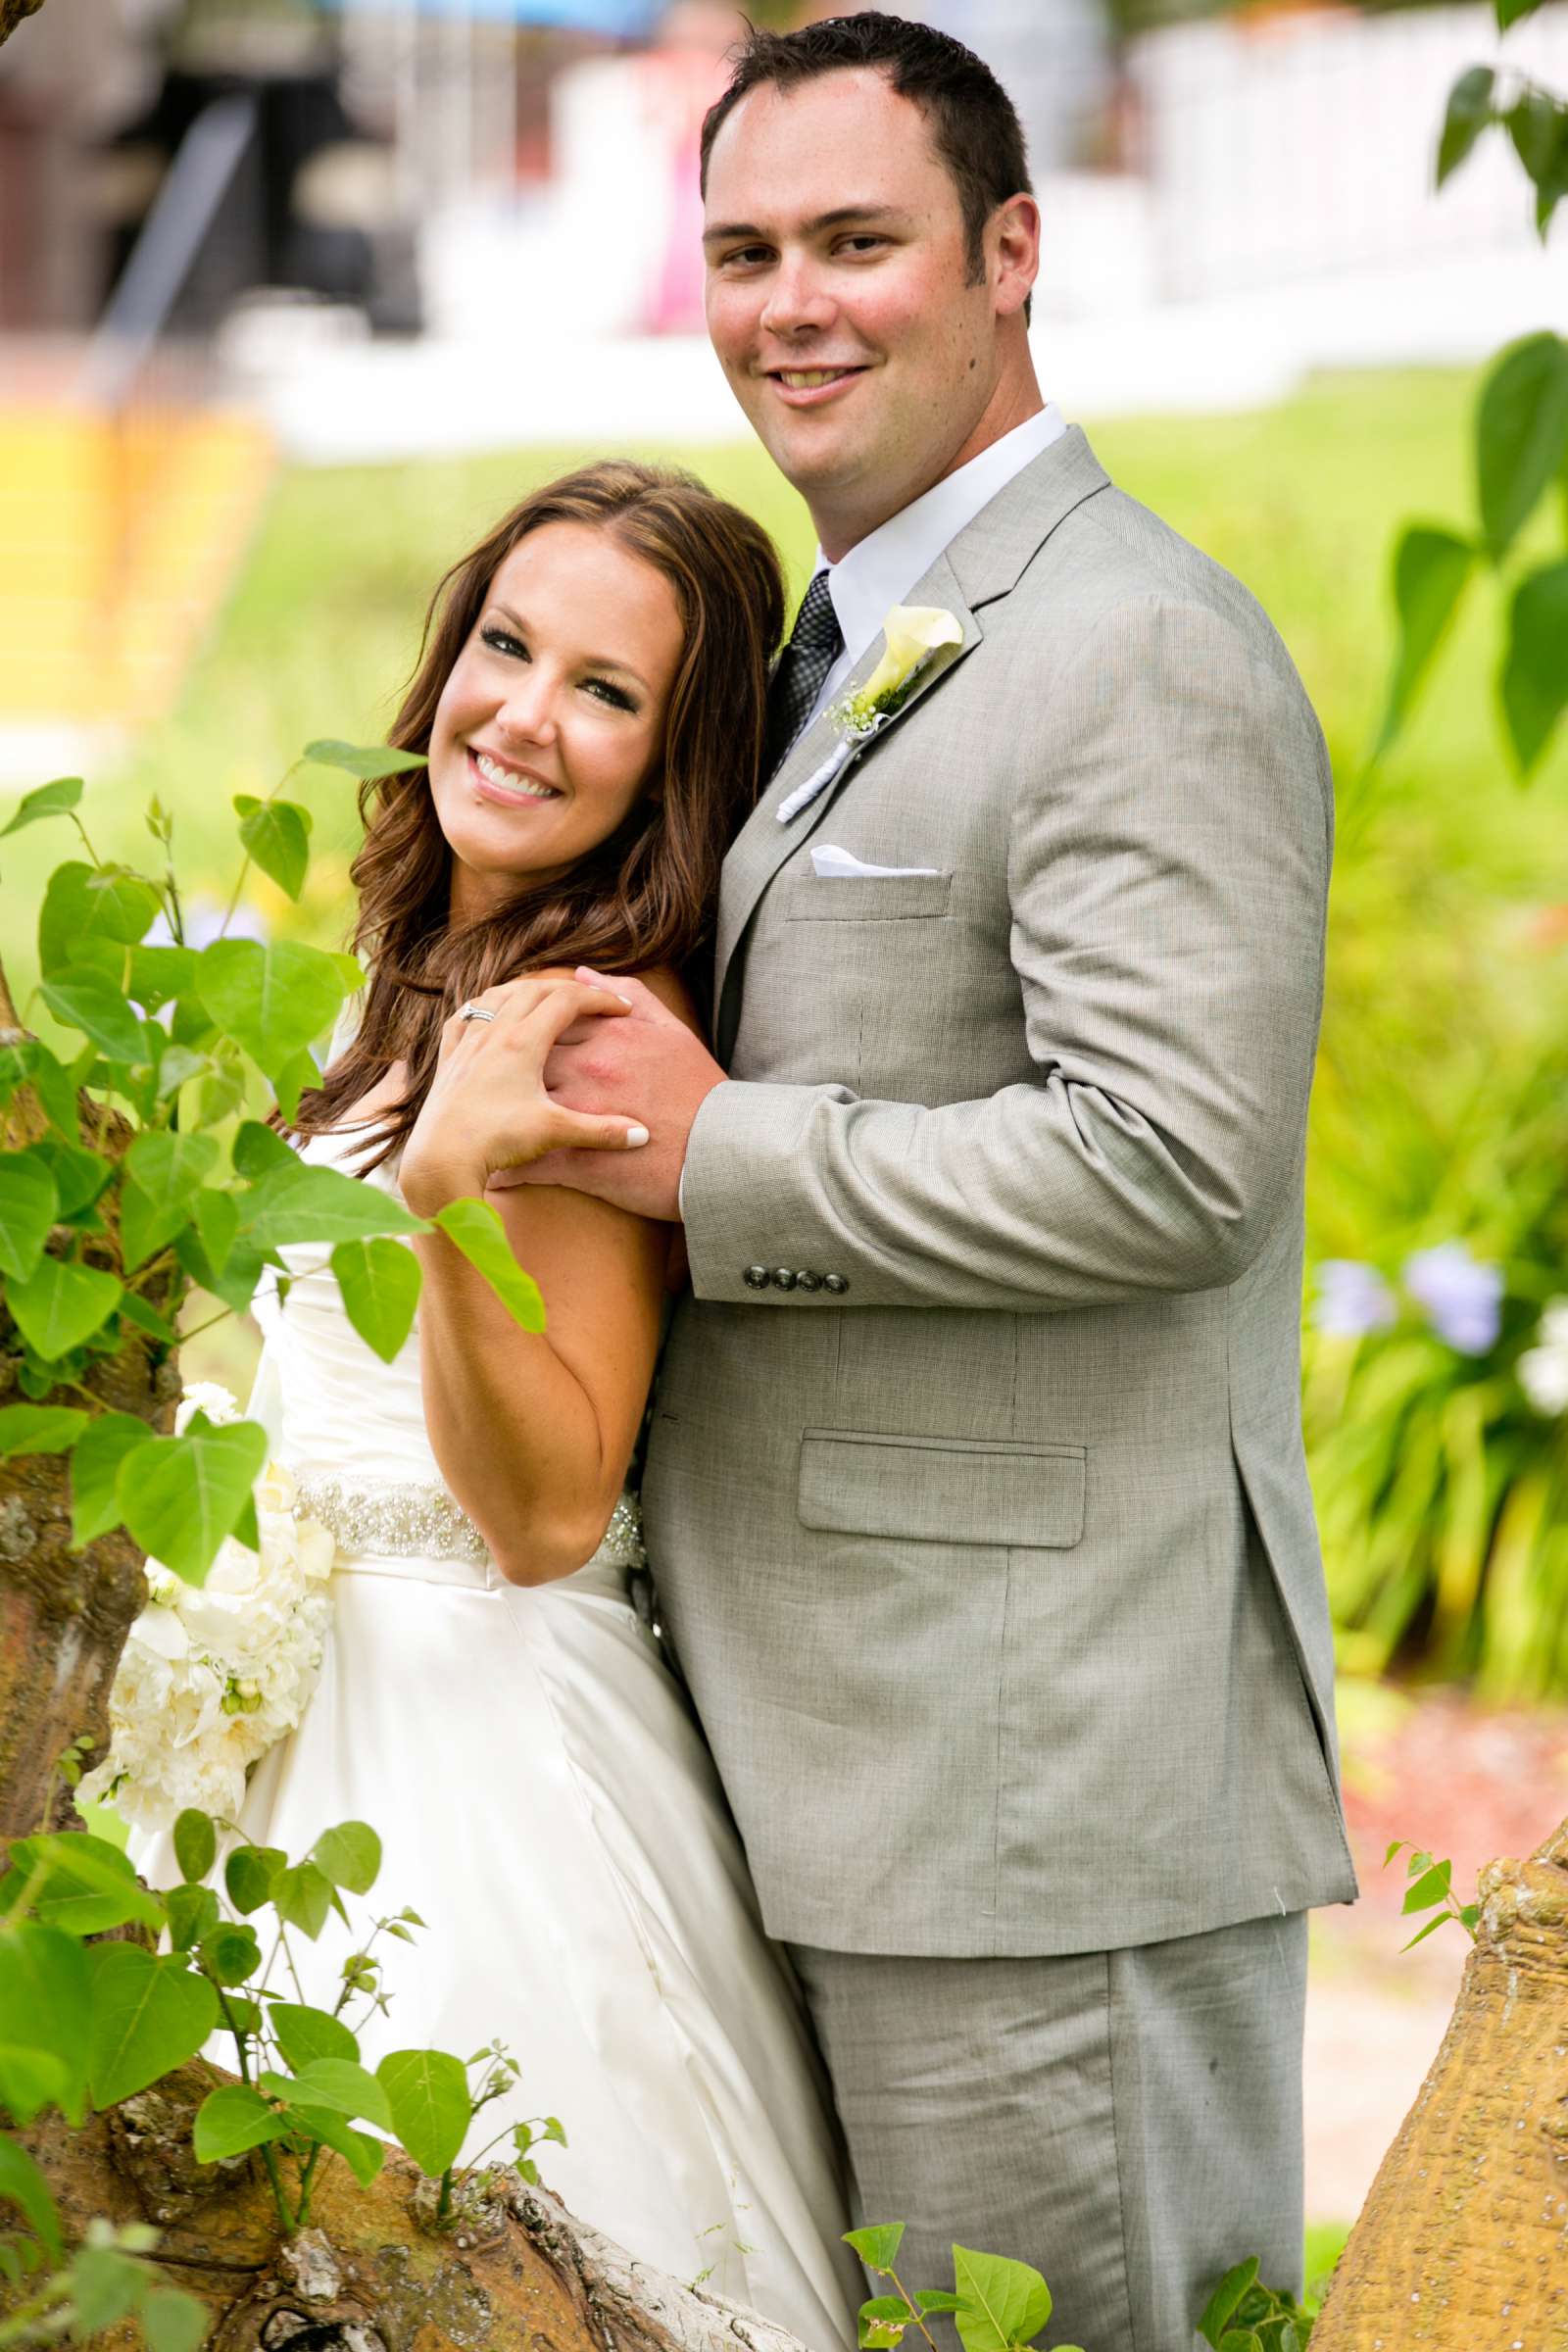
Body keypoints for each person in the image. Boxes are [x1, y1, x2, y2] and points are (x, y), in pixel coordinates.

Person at [508, 18, 1360, 2349]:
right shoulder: (838, 637)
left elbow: (1170, 1156)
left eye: (855, 244)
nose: (791, 304)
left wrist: (714, 1160)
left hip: (1030, 1787)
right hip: (828, 1758)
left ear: (1006, 255)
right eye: (747, 249)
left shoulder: (1131, 645)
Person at [143, 461, 860, 2352]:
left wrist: (446, 1201)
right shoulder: (415, 975)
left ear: (669, 766)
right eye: (508, 644)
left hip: (476, 1749)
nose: (526, 713)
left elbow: (548, 1509)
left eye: (605, 692)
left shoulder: (583, 1025)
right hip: (308, 1705)